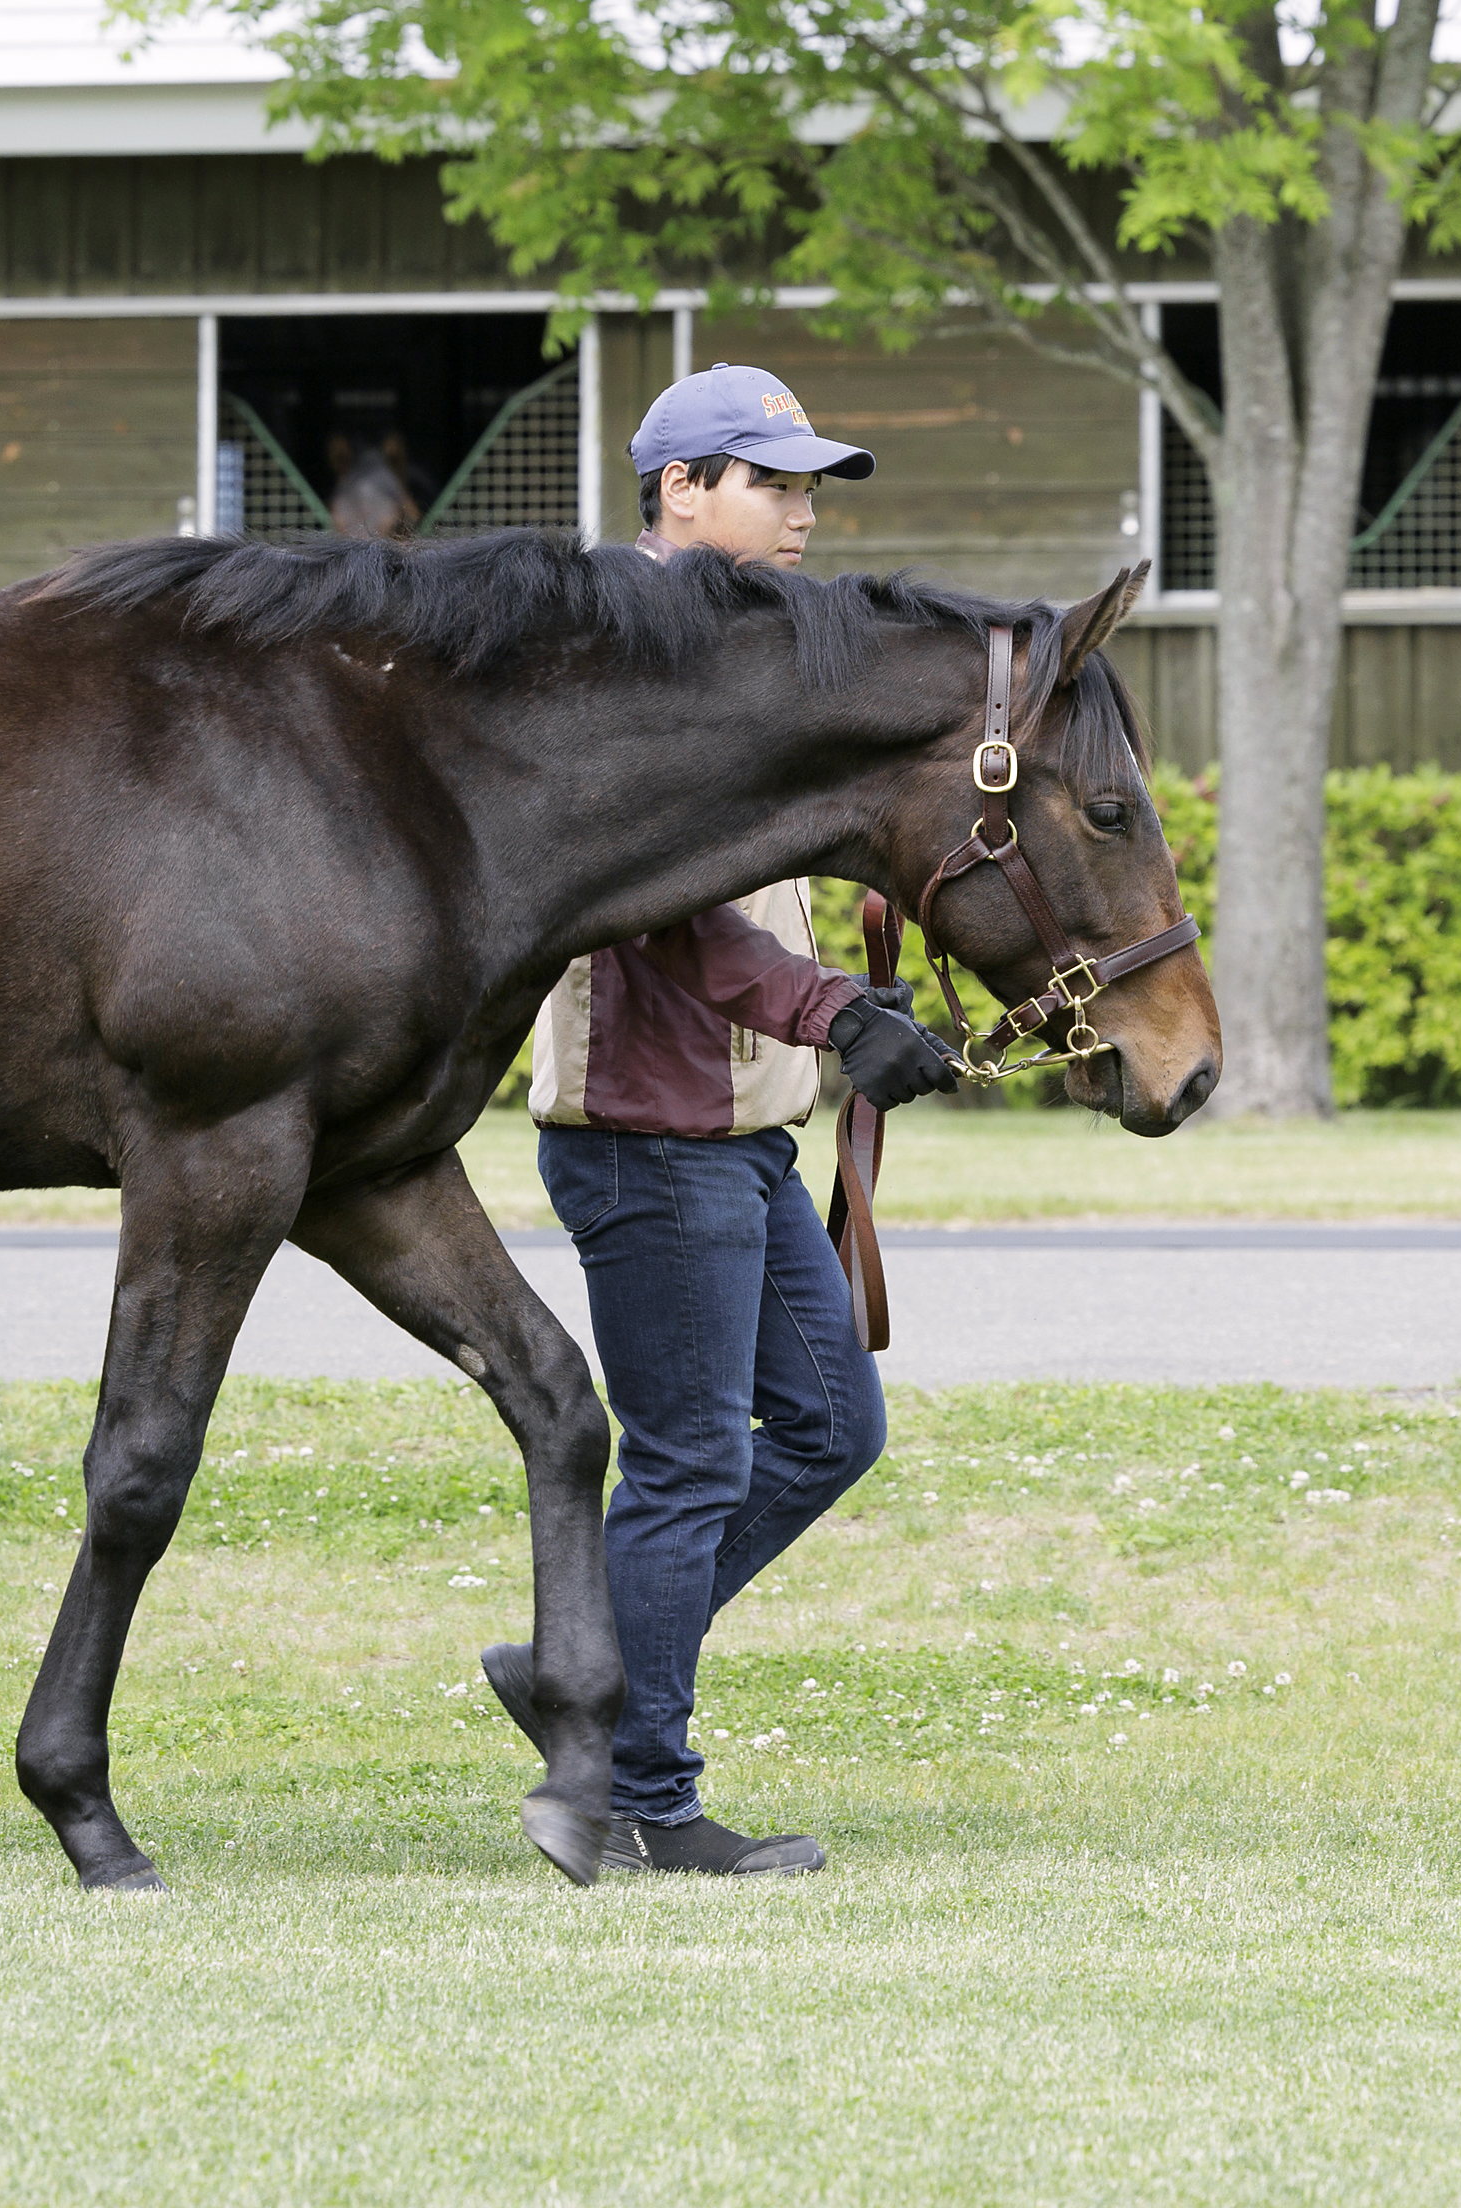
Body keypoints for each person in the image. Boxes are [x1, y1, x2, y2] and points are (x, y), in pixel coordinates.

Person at [478, 363, 960, 1876]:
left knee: (828, 1427)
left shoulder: (726, 662)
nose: (806, 513)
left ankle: (581, 1669)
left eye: (813, 487)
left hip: (740, 1141)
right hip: (646, 1140)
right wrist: (840, 1016)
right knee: (689, 1460)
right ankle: (643, 1801)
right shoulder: (621, 670)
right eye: (776, 483)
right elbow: (666, 920)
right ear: (681, 488)